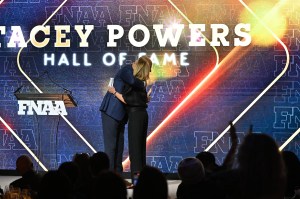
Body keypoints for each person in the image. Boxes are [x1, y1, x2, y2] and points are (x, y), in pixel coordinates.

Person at [108, 55, 152, 180]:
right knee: (140, 148)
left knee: (135, 151)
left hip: (136, 117)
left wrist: (114, 92)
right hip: (143, 115)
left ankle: (137, 181)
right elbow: (140, 100)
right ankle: (142, 179)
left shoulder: (133, 82)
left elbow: (127, 100)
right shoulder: (141, 84)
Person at [100, 59, 145, 173]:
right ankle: (109, 176)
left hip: (121, 115)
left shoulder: (134, 75)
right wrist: (144, 83)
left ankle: (118, 176)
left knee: (119, 147)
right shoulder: (127, 70)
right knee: (111, 147)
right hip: (111, 112)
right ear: (135, 64)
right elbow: (132, 81)